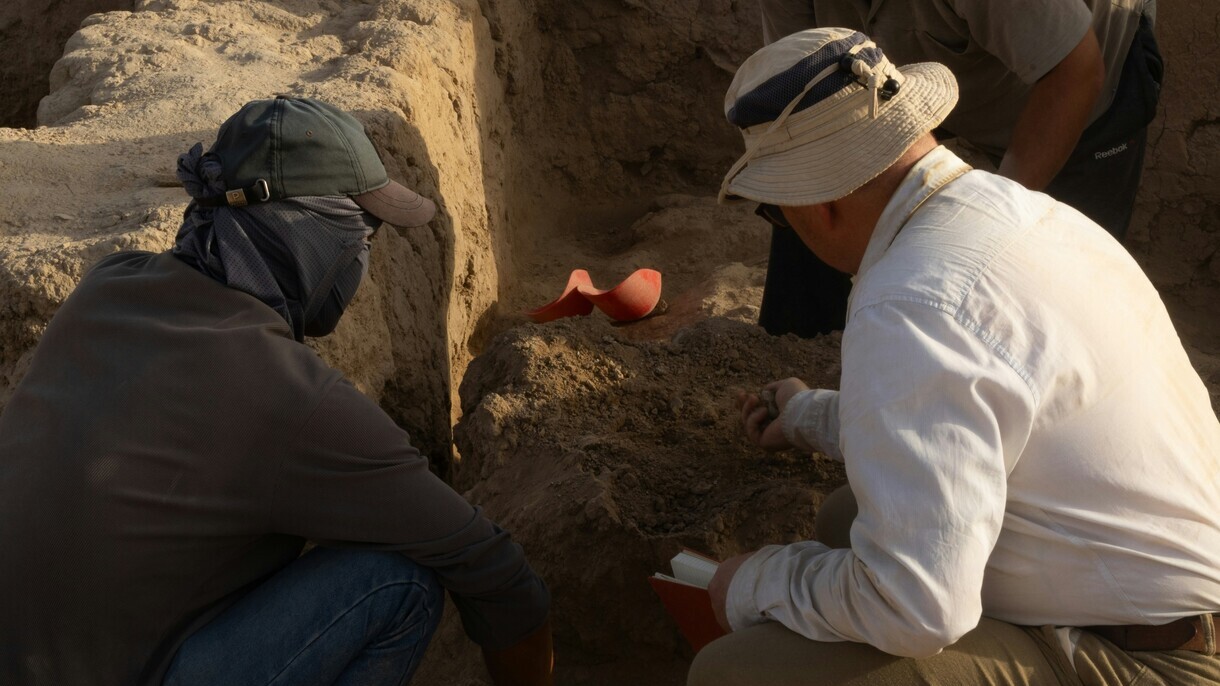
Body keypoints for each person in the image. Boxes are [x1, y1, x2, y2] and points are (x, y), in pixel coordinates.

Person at [692, 28, 1220, 685]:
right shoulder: (1023, 215)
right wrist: (811, 416)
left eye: (775, 208)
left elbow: (915, 606)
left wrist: (752, 582)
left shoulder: (907, 304)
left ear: (821, 203)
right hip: (1172, 601)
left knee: (734, 671)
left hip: (1153, 662)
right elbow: (974, 407)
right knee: (842, 518)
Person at [0, 96, 553, 686]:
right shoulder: (287, 399)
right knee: (398, 580)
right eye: (361, 233)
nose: (363, 257)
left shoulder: (107, 288)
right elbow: (497, 574)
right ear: (305, 230)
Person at [754, 0, 1163, 337]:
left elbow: (1077, 72)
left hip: (1083, 67)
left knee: (1061, 296)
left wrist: (987, 226)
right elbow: (807, 114)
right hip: (913, 68)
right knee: (810, 182)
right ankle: (803, 341)